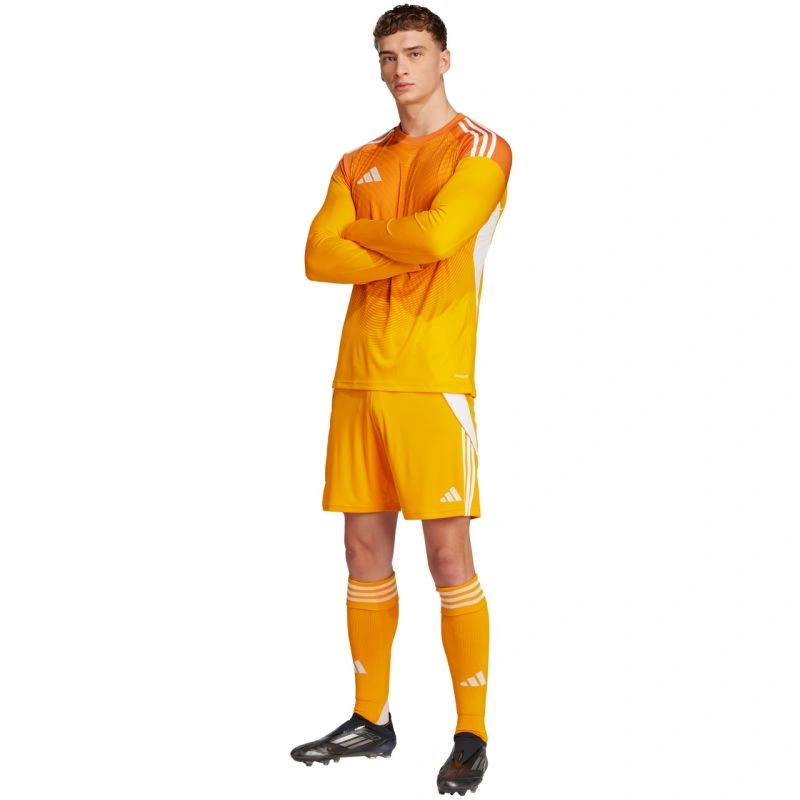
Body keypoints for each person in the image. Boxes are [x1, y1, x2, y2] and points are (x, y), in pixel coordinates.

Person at [290, 4, 512, 795]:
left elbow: (441, 238)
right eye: (387, 56)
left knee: (448, 557)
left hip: (432, 382)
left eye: (414, 53)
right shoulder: (358, 161)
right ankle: (371, 719)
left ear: (445, 58)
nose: (399, 69)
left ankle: (471, 732)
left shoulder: (481, 148)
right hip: (359, 378)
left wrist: (371, 239)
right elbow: (318, 257)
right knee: (362, 553)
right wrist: (406, 240)